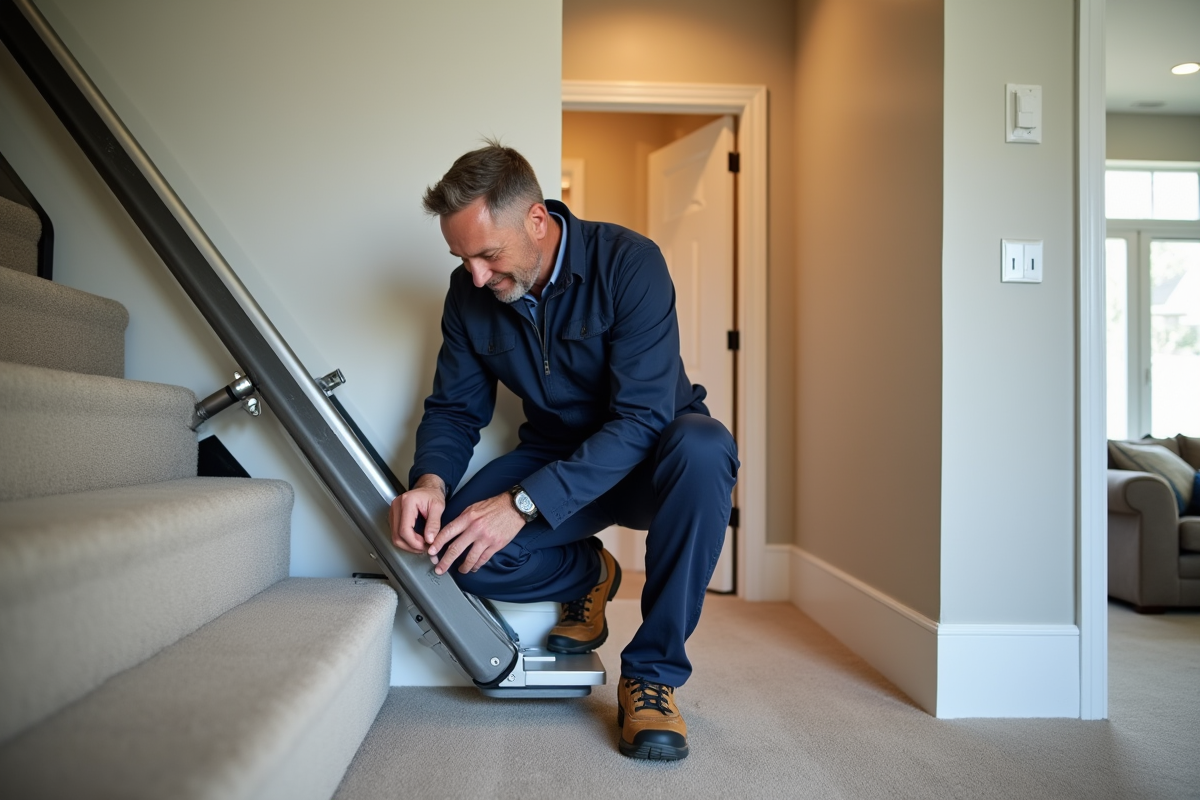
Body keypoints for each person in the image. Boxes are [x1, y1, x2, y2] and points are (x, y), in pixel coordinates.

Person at [390, 140, 738, 760]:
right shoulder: (467, 294)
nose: (476, 276)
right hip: (556, 455)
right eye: (462, 258)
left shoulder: (629, 263)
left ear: (537, 220)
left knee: (707, 447)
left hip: (654, 456)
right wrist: (430, 482)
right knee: (458, 551)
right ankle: (591, 573)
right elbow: (455, 408)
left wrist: (522, 505)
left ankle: (651, 677)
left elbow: (642, 417)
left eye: (487, 255)